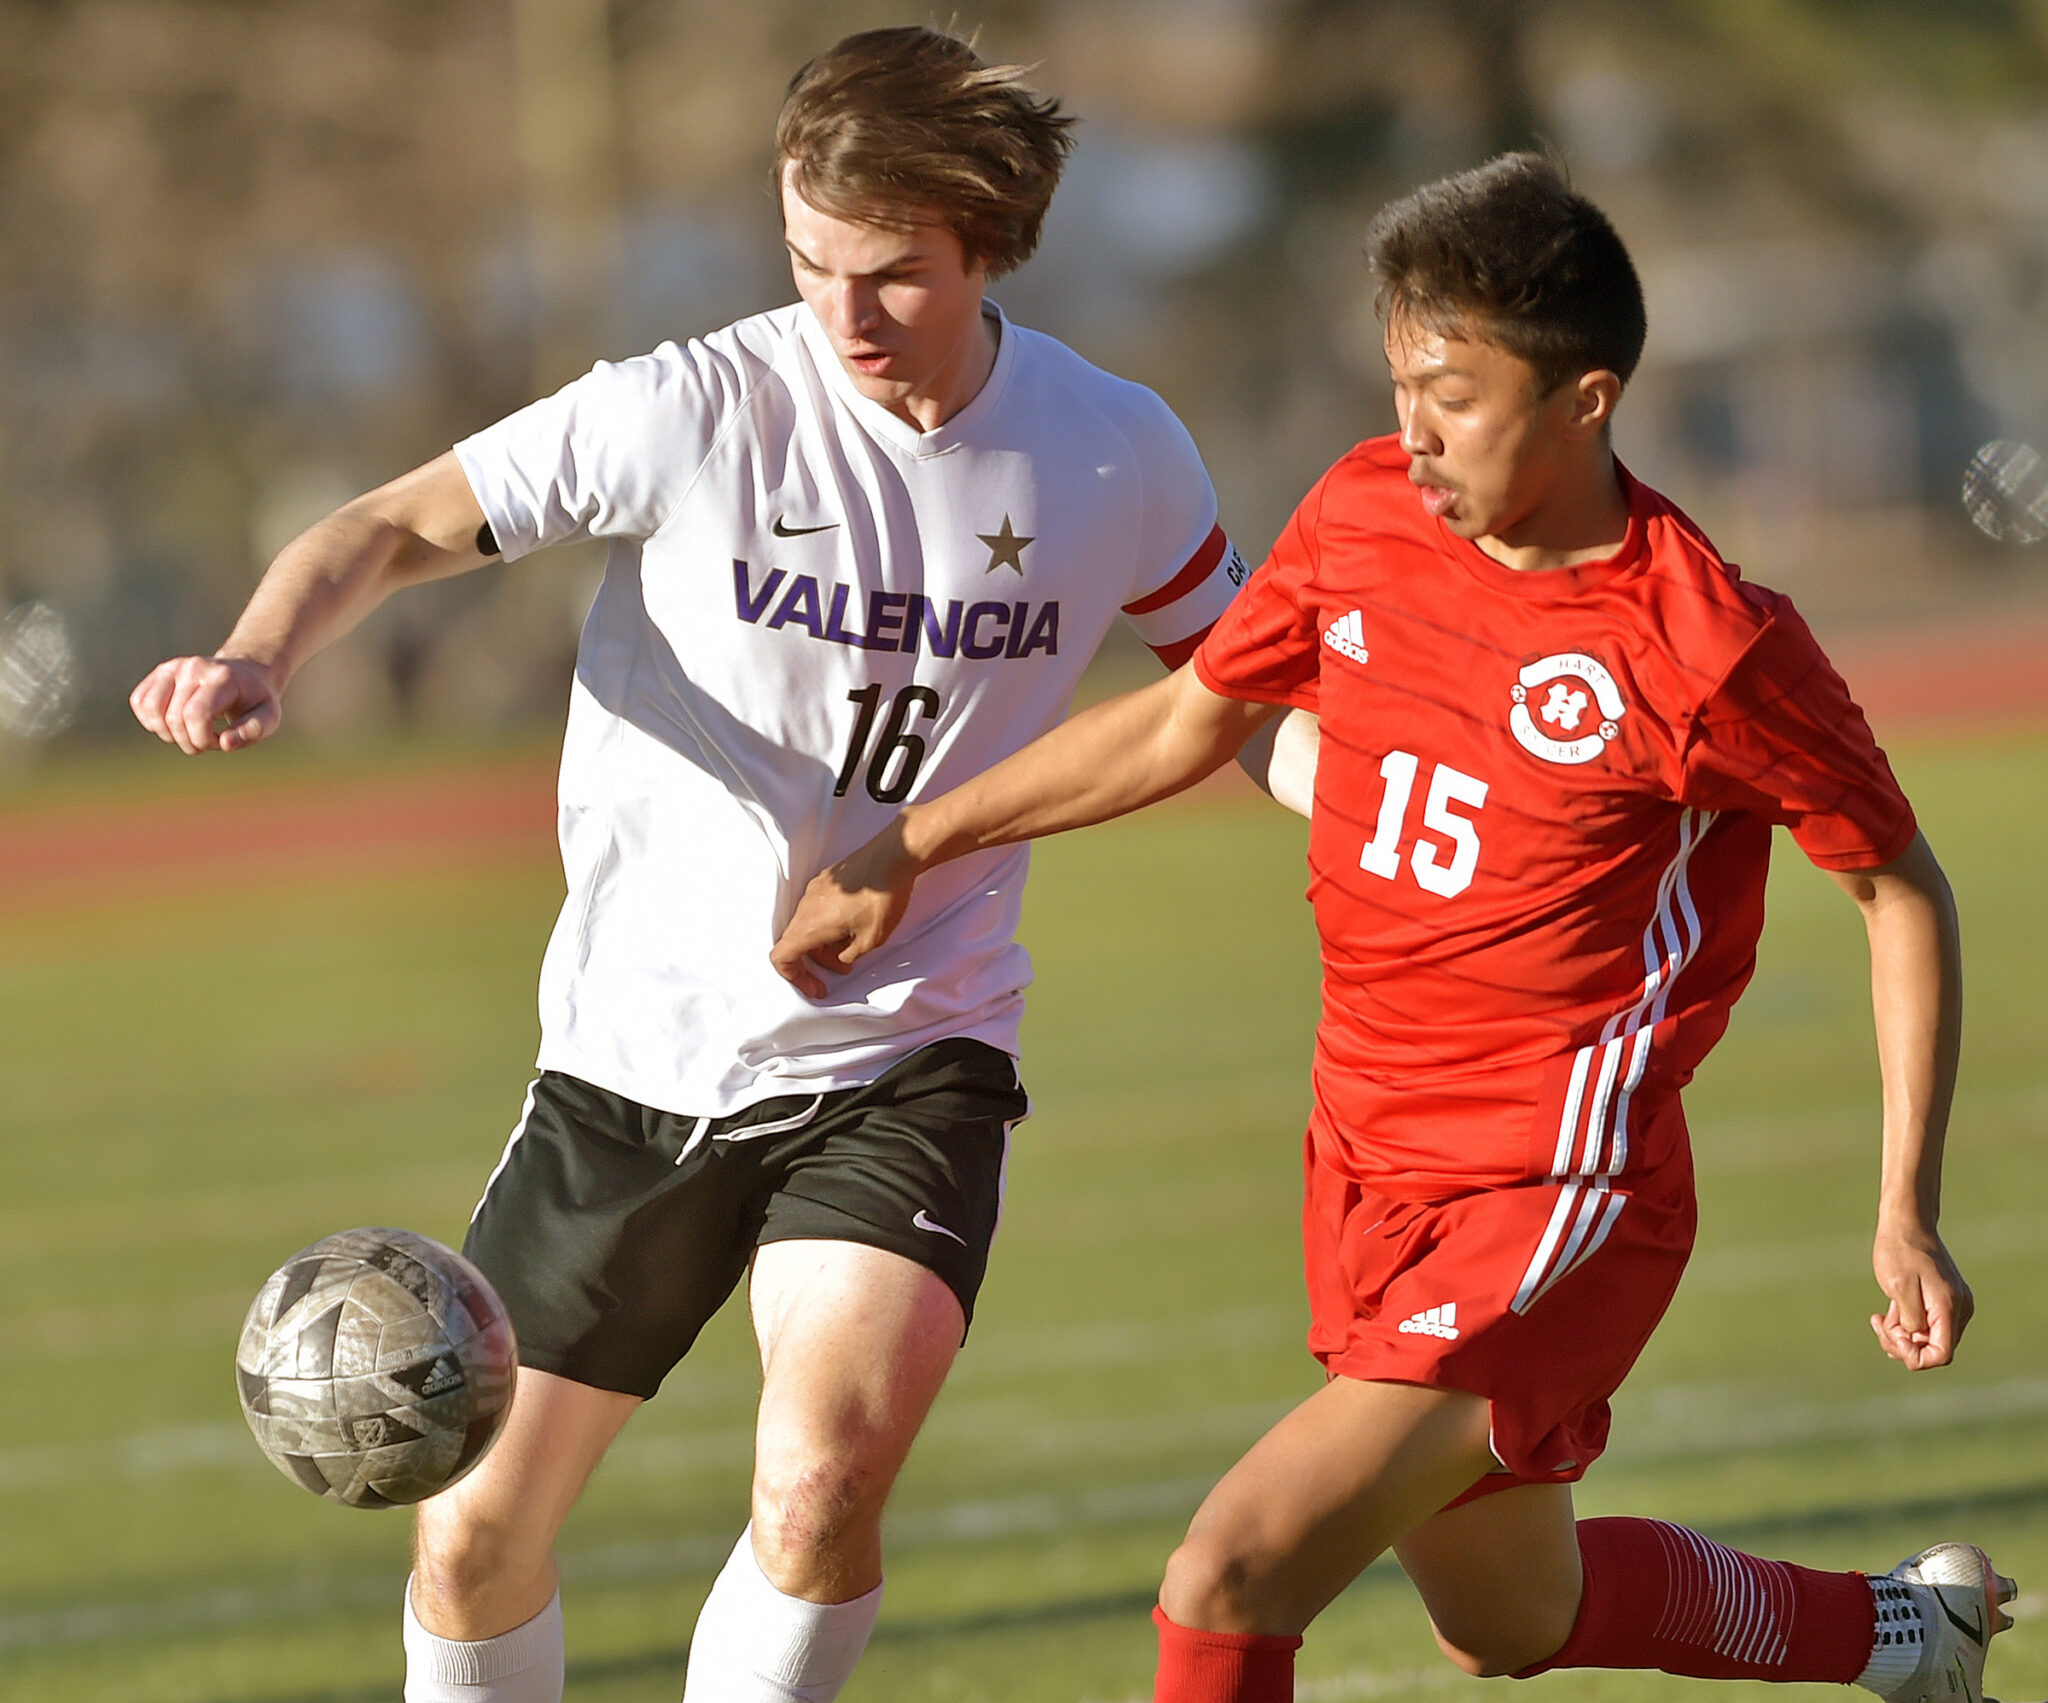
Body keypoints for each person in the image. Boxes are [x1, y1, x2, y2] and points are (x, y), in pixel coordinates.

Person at [130, 27, 1310, 1703]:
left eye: (893, 273)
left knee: (822, 1481)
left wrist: (1390, 808)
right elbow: (387, 523)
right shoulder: (691, 407)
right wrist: (260, 651)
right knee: (470, 1544)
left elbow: (1243, 700)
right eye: (811, 261)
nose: (844, 311)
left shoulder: (1116, 450)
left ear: (991, 243)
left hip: (909, 1044)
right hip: (632, 1061)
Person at [770, 153, 2012, 1703]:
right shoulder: (1362, 513)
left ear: (1586, 399)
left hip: (1553, 1196)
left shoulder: (1708, 642)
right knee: (1507, 1616)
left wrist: (1905, 1201)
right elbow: (1183, 722)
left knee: (1230, 1573)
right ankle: (1911, 1637)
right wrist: (914, 839)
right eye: (1400, 382)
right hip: (1364, 1161)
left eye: (1455, 394)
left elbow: (1900, 887)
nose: (1412, 431)